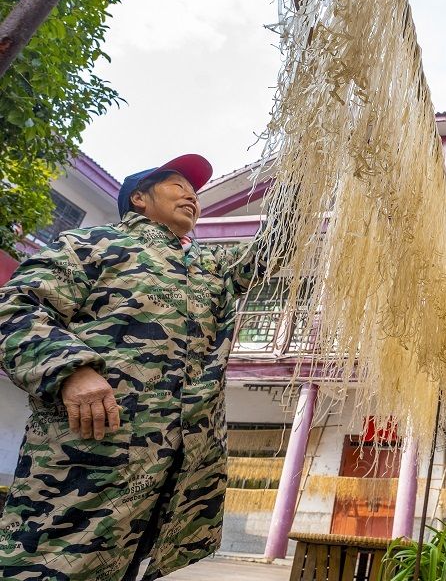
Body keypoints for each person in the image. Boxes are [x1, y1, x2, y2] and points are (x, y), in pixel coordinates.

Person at [0, 154, 265, 580]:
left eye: (194, 191)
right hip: (90, 451)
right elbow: (15, 308)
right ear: (139, 199)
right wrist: (72, 370)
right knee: (47, 564)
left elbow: (278, 246)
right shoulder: (94, 244)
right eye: (177, 184)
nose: (190, 195)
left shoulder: (207, 268)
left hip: (172, 461)